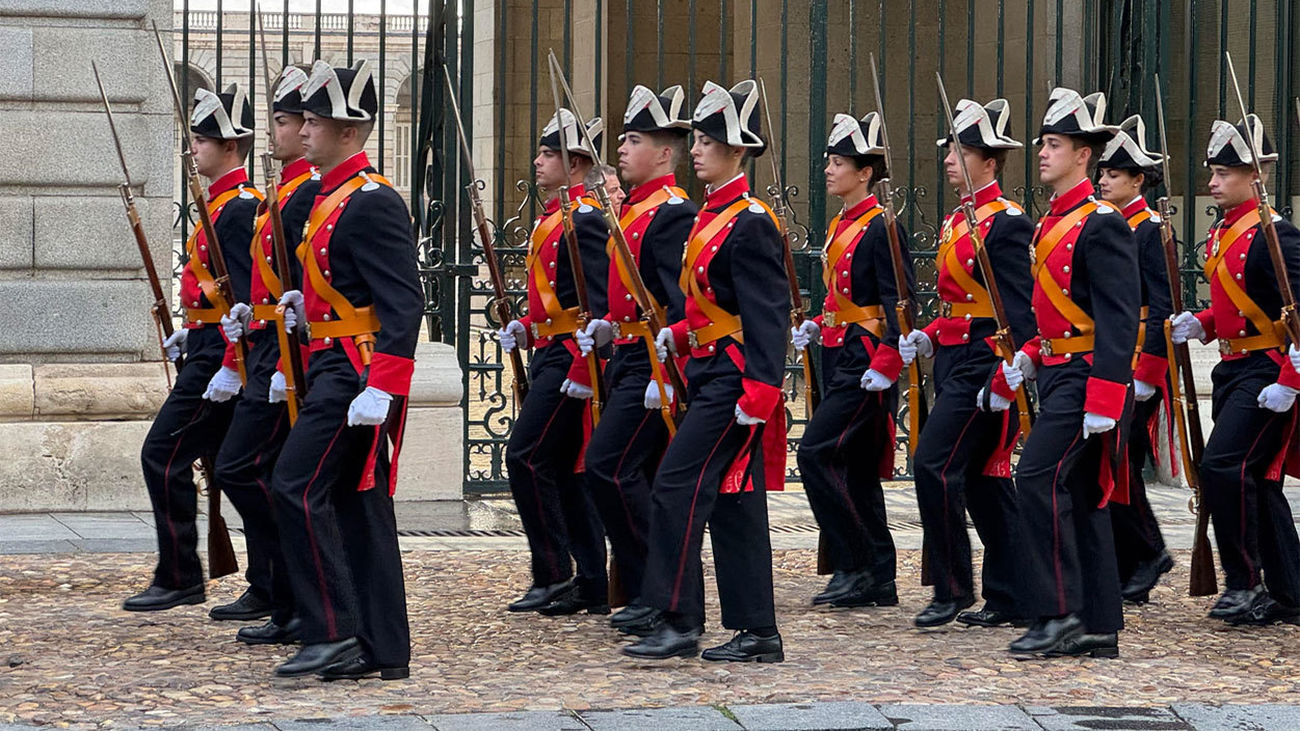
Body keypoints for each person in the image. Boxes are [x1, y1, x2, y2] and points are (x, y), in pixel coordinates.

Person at [623, 80, 788, 663]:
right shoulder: (710, 215)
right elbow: (712, 304)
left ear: (737, 150)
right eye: (695, 137)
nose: (696, 147)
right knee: (734, 499)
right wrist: (680, 333)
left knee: (674, 487)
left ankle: (678, 618)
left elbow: (768, 314)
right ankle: (758, 631)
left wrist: (762, 391)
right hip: (709, 369)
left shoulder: (750, 220)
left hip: (736, 380)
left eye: (710, 139)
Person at [269, 59, 421, 680]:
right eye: (302, 118)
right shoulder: (329, 197)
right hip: (331, 360)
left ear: (351, 131)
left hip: (356, 374)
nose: (304, 129)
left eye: (316, 120)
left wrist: (383, 385)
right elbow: (348, 288)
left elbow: (402, 302)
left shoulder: (373, 200)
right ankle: (380, 646)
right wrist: (307, 312)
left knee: (294, 484)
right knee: (357, 504)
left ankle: (332, 629)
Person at [1001, 88, 1139, 659]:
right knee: (1080, 494)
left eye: (1054, 144)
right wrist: (1033, 351)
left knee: (1034, 477)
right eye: (1042, 143)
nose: (1042, 153)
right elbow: (1060, 309)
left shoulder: (1100, 223)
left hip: (1089, 377)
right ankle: (1100, 621)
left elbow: (1117, 315)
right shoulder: (1051, 222)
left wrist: (1107, 394)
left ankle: (1057, 611)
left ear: (1084, 155)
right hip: (1059, 370)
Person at [125, 84, 263, 613]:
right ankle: (267, 580)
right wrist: (194, 327)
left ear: (229, 146)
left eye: (201, 141)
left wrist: (228, 362)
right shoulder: (220, 205)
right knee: (236, 468)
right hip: (205, 344)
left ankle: (182, 574)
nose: (193, 150)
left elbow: (249, 301)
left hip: (220, 359)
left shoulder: (237, 210)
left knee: (164, 454)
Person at [899, 98, 1034, 628]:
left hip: (986, 363)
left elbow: (1018, 307)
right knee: (982, 477)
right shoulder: (961, 218)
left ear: (991, 162)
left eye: (962, 151)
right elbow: (960, 302)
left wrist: (1011, 371)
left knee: (933, 463)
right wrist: (930, 336)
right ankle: (1014, 591)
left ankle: (953, 587)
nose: (950, 159)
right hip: (955, 358)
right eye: (950, 150)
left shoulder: (1005, 223)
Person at [574, 85, 697, 631]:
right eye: (623, 138)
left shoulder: (670, 214)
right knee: (622, 471)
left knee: (608, 467)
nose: (621, 148)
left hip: (652, 362)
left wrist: (666, 372)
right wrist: (605, 326)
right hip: (625, 354)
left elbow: (679, 299)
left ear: (665, 153)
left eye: (634, 139)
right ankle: (651, 590)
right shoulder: (633, 211)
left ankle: (658, 586)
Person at [1170, 114, 1300, 626]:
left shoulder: (1277, 236)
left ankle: (1243, 582)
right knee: (1258, 481)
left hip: (1268, 370)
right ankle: (1290, 592)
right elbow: (1244, 304)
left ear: (1256, 176)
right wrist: (1201, 323)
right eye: (1214, 172)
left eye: (1224, 173)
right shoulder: (1227, 231)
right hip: (1235, 367)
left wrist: (1290, 383)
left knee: (1225, 467)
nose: (1212, 182)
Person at [207, 66, 320, 641]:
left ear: (306, 128)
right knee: (260, 473)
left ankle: (287, 590)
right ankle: (277, 589)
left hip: (286, 360)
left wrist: (277, 361)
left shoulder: (306, 197)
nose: (273, 132)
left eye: (281, 121)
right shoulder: (284, 194)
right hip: (260, 349)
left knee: (244, 468)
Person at [790, 111, 912, 610]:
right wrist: (820, 323)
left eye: (838, 162)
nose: (828, 169)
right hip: (838, 352)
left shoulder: (882, 226)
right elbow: (844, 296)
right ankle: (878, 576)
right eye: (829, 160)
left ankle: (854, 562)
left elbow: (897, 302)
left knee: (815, 453)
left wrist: (886, 363)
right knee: (857, 468)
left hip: (864, 360)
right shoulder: (844, 221)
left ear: (865, 172)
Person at [497, 110, 612, 616]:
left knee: (525, 457)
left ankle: (553, 573)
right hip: (549, 352)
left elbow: (599, 303)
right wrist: (527, 325)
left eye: (549, 154)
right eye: (542, 153)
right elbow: (559, 297)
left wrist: (584, 371)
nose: (539, 161)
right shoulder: (553, 217)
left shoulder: (584, 219)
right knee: (566, 471)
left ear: (577, 163)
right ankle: (588, 581)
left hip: (571, 361)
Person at [1095, 114, 1176, 604]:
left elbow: (1162, 304)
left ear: (1138, 180)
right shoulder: (1111, 223)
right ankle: (1133, 556)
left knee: (1123, 459)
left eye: (1114, 174)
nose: (1103, 180)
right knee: (1110, 459)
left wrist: (1149, 370)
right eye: (1103, 173)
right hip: (1111, 355)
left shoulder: (1148, 230)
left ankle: (1147, 552)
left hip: (1137, 360)